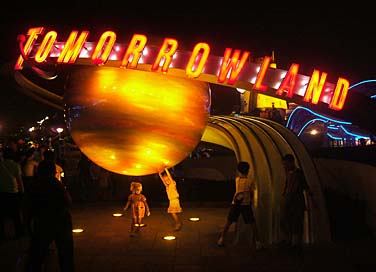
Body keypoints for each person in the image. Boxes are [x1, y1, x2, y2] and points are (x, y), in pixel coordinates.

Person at [27, 160, 75, 271]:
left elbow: (28, 206)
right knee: (65, 254)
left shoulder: (34, 185)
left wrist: (28, 224)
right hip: (61, 223)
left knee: (37, 254)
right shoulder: (57, 185)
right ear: (53, 172)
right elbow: (68, 202)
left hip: (42, 222)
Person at [217, 161, 258, 249]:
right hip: (246, 205)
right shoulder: (250, 181)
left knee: (229, 222)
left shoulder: (237, 180)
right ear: (248, 170)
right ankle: (257, 241)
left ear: (238, 170)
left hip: (235, 204)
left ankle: (222, 239)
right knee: (252, 222)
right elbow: (252, 192)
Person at [281, 153, 313, 250]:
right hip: (290, 201)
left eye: (286, 164)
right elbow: (288, 185)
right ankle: (290, 241)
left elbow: (304, 187)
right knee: (289, 220)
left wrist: (312, 199)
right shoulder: (289, 173)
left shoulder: (298, 173)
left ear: (291, 162)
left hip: (296, 201)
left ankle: (295, 243)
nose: (284, 166)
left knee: (296, 222)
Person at [0, 147, 24, 242]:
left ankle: (2, 234)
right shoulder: (15, 165)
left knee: (1, 215)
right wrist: (22, 190)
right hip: (13, 191)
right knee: (16, 214)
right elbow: (19, 179)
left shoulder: (1, 165)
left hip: (1, 191)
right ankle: (19, 233)